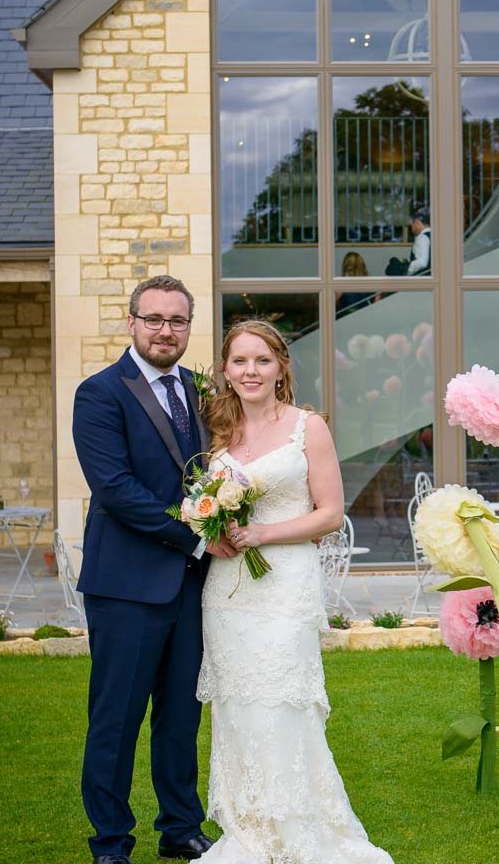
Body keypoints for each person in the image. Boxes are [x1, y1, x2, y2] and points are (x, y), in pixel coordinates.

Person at [197, 319, 393, 864]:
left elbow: (329, 514)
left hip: (285, 586)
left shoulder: (309, 427)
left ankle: (303, 831)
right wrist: (211, 532)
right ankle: (251, 831)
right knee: (238, 709)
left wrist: (264, 533)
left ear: (281, 367)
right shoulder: (218, 430)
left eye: (262, 360)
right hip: (227, 590)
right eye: (240, 361)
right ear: (226, 370)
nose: (251, 371)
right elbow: (204, 505)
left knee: (283, 705)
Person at [73, 274, 236, 864]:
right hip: (126, 586)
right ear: (132, 323)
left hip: (192, 587)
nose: (166, 331)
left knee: (181, 715)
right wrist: (199, 537)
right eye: (154, 319)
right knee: (116, 718)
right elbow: (116, 489)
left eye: (177, 321)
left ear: (189, 327)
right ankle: (111, 841)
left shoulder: (202, 391)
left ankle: (180, 828)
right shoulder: (99, 394)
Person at [335, 250, 374, 317]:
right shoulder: (373, 284)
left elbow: (329, 308)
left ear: (346, 266)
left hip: (345, 320)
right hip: (366, 319)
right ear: (362, 265)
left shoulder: (341, 285)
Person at [406, 205, 431, 275]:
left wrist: (406, 271)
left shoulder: (422, 238)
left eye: (411, 225)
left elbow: (422, 263)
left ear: (417, 222)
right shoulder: (436, 236)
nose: (411, 229)